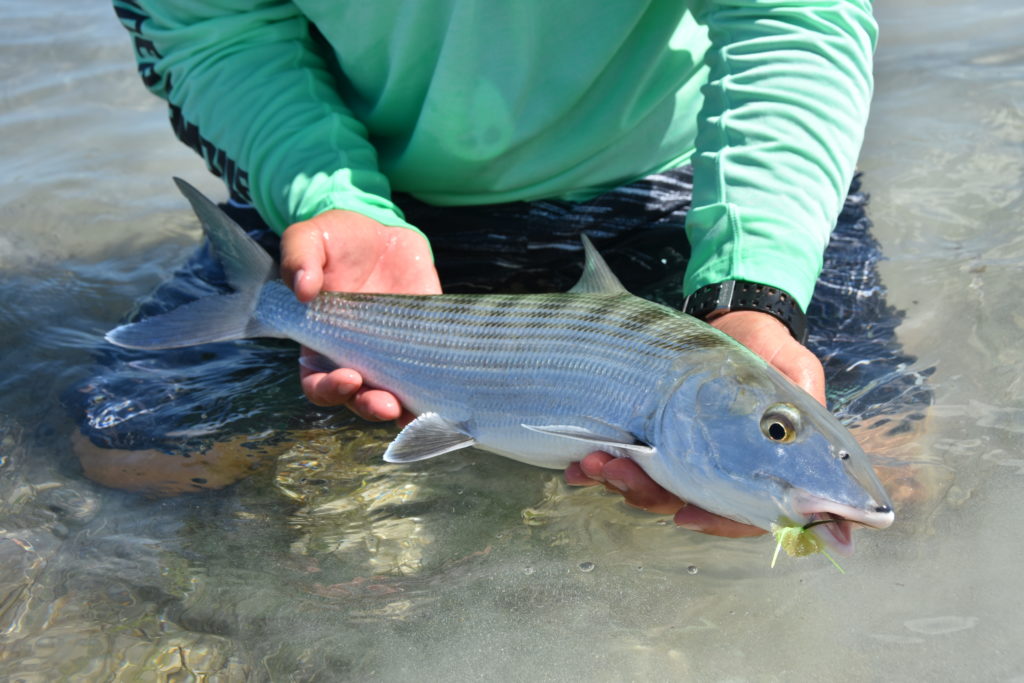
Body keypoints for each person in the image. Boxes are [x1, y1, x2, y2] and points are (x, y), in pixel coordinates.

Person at [92, 1, 882, 535]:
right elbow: (214, 29)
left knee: (893, 480)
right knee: (136, 454)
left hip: (688, 178)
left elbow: (793, 12)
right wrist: (326, 190)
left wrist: (755, 283)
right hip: (365, 183)